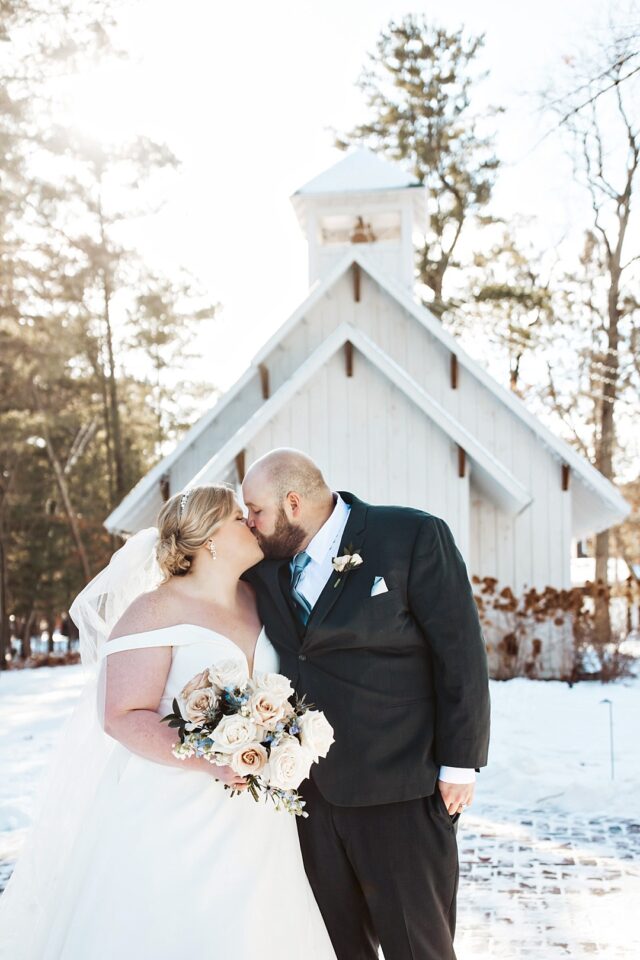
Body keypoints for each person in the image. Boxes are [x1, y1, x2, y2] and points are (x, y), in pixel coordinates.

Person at [0, 484, 336, 960]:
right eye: (240, 518)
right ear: (210, 539)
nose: (253, 524)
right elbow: (120, 715)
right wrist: (210, 758)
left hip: (256, 813)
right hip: (171, 807)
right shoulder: (153, 611)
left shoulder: (261, 599)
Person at [242, 449, 491, 960]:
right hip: (308, 795)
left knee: (417, 946)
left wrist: (460, 763)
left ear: (293, 503)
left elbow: (460, 653)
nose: (249, 523)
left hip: (401, 787)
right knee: (336, 948)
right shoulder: (262, 565)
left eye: (255, 510)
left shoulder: (411, 537)